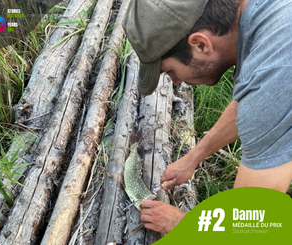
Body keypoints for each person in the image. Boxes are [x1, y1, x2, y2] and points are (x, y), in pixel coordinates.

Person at [122, 0, 292, 234]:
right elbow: (251, 99)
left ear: (200, 44)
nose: (176, 81)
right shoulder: (267, 17)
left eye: (170, 71)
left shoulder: (275, 73)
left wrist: (182, 224)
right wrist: (193, 158)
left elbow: (254, 225)